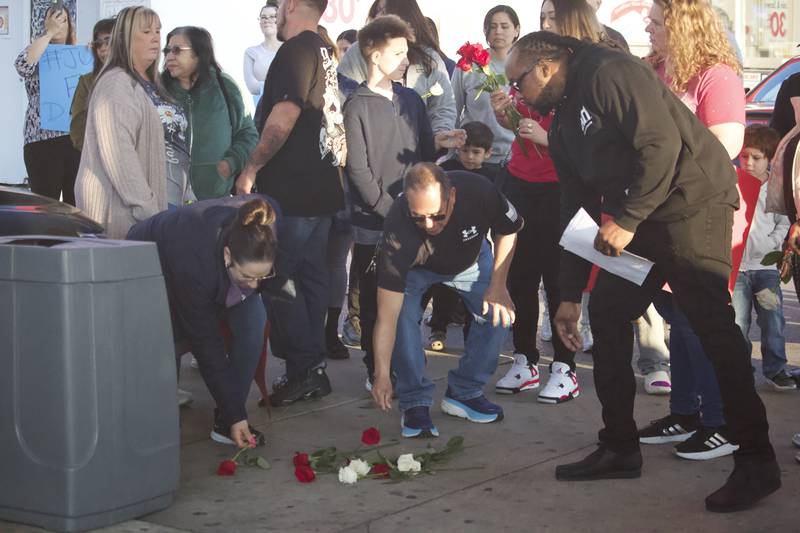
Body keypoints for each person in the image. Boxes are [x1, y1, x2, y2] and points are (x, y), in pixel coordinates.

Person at [508, 30, 778, 511]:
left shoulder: (610, 71)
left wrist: (628, 220)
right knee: (608, 316)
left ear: (545, 66)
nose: (515, 95)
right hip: (644, 220)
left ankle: (758, 461)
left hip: (692, 204)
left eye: (518, 82)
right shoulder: (563, 117)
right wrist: (569, 295)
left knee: (711, 326)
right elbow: (577, 206)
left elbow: (661, 145)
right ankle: (618, 445)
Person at [637, 0, 749, 461]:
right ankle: (685, 411)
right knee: (673, 314)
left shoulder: (715, 75)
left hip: (703, 214)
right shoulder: (660, 71)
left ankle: (722, 420)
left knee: (698, 320)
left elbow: (725, 145)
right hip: (663, 213)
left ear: (682, 26)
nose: (649, 28)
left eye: (658, 23)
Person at [492, 0, 617, 403]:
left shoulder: (585, 70)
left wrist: (548, 140)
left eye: (553, 16)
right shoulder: (531, 62)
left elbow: (589, 140)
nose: (546, 22)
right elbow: (520, 126)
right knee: (520, 274)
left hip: (563, 187)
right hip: (521, 182)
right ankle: (525, 359)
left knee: (559, 275)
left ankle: (564, 365)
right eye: (543, 16)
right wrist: (504, 116)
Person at [345, 15, 466, 388]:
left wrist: (443, 143)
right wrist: (389, 209)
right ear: (373, 54)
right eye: (397, 53)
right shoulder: (356, 105)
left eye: (406, 52)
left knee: (410, 297)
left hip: (411, 217)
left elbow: (424, 152)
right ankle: (374, 368)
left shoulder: (412, 99)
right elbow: (359, 170)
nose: (404, 60)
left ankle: (404, 361)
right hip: (374, 222)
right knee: (373, 299)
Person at [235, 0, 346, 407]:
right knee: (312, 277)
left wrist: (251, 167)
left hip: (295, 191)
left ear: (293, 4)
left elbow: (283, 117)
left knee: (276, 278)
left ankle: (303, 368)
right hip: (322, 190)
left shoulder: (296, 49)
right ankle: (311, 366)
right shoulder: (322, 49)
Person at [370, 163, 522, 437]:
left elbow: (509, 229)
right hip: (415, 272)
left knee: (498, 314)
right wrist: (381, 374)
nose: (429, 225)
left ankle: (465, 391)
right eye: (419, 218)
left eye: (438, 216)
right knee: (403, 323)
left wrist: (498, 285)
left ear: (452, 196)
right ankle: (414, 400)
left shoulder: (479, 191)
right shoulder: (397, 229)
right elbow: (386, 317)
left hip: (472, 262)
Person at [128, 196, 279, 449]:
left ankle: (227, 420)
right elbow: (207, 344)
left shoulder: (263, 232)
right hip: (149, 259)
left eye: (261, 276)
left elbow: (269, 277)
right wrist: (237, 415)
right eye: (247, 277)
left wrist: (234, 413)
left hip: (209, 262)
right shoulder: (194, 263)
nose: (254, 285)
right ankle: (160, 426)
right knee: (169, 339)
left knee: (254, 320)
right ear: (228, 255)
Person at [75, 6, 171, 239]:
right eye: (146, 31)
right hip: (118, 217)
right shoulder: (117, 83)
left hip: (129, 215)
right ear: (125, 37)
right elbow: (119, 155)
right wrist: (148, 210)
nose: (156, 38)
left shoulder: (133, 83)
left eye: (158, 31)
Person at [162, 26, 259, 201]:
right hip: (167, 202)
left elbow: (248, 134)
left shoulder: (225, 87)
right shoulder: (158, 90)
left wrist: (230, 164)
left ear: (199, 54)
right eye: (167, 51)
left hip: (214, 200)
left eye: (176, 50)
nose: (169, 56)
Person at [734, 125, 795, 390]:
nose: (748, 163)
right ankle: (739, 369)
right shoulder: (733, 183)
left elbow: (783, 221)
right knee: (737, 322)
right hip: (736, 269)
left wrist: (772, 245)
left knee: (773, 319)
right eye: (744, 156)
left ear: (769, 158)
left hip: (765, 268)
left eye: (756, 158)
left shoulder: (776, 187)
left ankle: (776, 368)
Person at [338, 0, 456, 134]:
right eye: (376, 11)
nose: (376, 17)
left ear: (404, 15)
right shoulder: (358, 52)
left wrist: (436, 139)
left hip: (418, 149)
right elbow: (342, 98)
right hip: (370, 144)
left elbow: (444, 107)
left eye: (383, 11)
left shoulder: (429, 58)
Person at [15, 6, 81, 205]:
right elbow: (22, 66)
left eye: (63, 21)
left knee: (77, 203)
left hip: (75, 141)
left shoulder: (81, 56)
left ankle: (76, 238)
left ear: (71, 26)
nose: (59, 25)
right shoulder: (36, 51)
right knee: (45, 204)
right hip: (41, 141)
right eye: (54, 20)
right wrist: (49, 33)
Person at [450, 4, 519, 171]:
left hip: (509, 157)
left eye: (505, 26)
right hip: (471, 157)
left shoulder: (523, 67)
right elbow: (452, 109)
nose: (498, 32)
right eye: (493, 26)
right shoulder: (468, 67)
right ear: (485, 30)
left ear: (516, 30)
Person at [70, 17, 115, 152]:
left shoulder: (137, 79)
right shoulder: (87, 82)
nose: (103, 48)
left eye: (108, 41)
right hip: (98, 159)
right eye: (98, 44)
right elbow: (78, 134)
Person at [244, 1, 281, 97]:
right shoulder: (251, 52)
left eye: (272, 17)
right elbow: (252, 87)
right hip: (262, 108)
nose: (266, 20)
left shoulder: (290, 49)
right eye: (263, 17)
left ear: (280, 19)